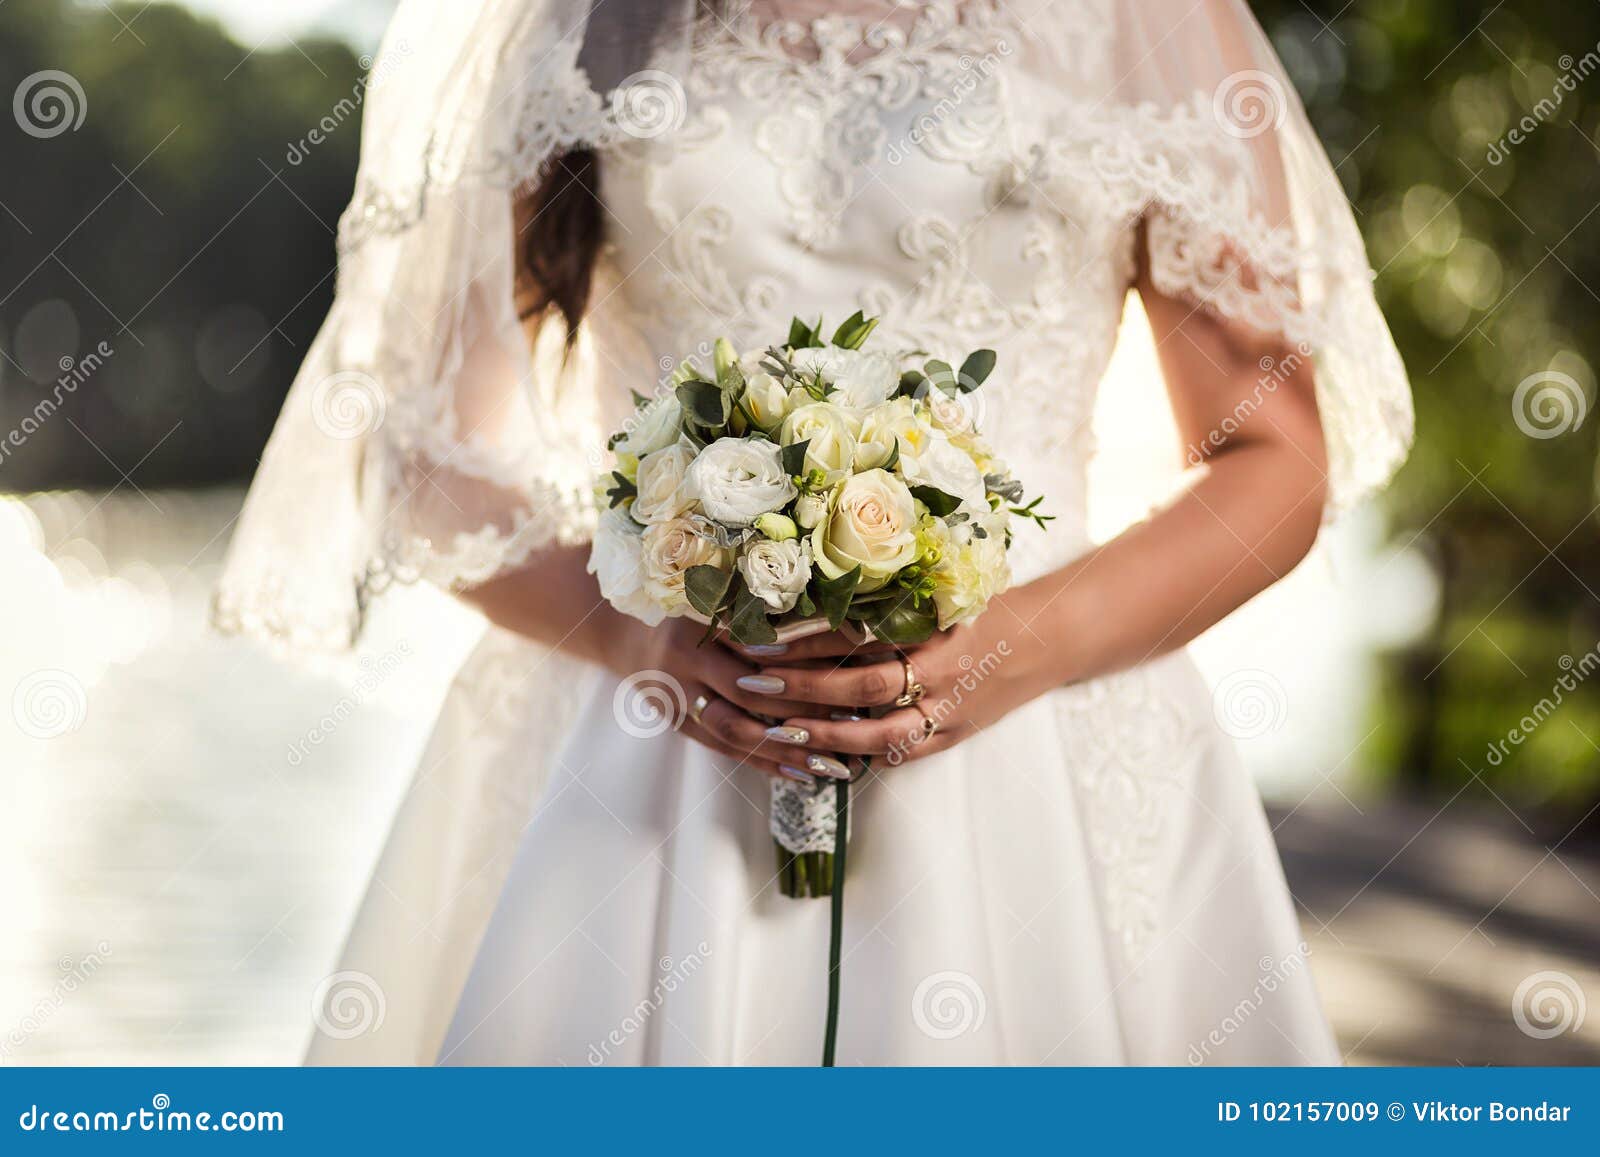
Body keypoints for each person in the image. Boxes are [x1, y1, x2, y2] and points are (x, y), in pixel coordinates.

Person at [216, 0, 1412, 1064]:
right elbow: (427, 449)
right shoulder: (578, 21)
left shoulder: (1146, 20)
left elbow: (1273, 455)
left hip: (1045, 733)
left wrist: (1012, 647)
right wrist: (636, 642)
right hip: (650, 734)